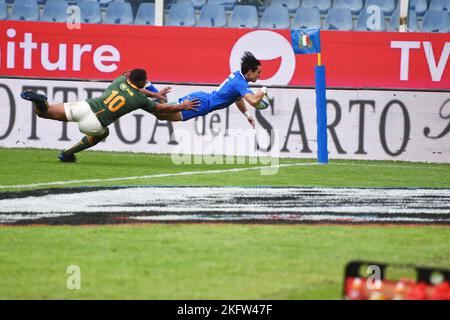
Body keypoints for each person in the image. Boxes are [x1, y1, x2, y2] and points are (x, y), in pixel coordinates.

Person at [20, 69, 199, 163]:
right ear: (141, 82)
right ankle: (67, 154)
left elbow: (128, 73)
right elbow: (160, 110)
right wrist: (181, 106)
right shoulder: (139, 99)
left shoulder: (120, 80)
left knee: (44, 112)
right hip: (94, 123)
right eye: (145, 80)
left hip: (85, 106)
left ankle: (41, 101)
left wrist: (152, 93)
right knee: (103, 134)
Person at [151, 51, 269, 129]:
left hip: (200, 97)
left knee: (160, 112)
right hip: (200, 105)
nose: (260, 75)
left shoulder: (238, 76)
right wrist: (263, 89)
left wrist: (247, 115)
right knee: (160, 115)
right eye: (258, 72)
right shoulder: (240, 83)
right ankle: (142, 99)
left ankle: (148, 100)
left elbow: (238, 99)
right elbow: (254, 101)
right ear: (249, 72)